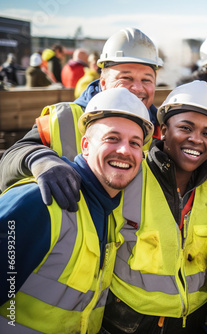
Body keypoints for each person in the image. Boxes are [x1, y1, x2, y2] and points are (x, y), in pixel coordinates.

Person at [0, 87, 153, 333]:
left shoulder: (111, 212)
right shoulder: (40, 202)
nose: (125, 150)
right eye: (112, 138)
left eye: (135, 143)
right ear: (85, 145)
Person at [101, 80, 207, 333]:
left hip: (191, 323)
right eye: (185, 128)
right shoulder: (129, 178)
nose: (196, 140)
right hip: (126, 323)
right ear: (162, 130)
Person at [0, 27, 163, 212]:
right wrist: (41, 160)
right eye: (126, 77)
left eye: (147, 80)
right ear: (103, 83)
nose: (137, 88)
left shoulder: (160, 130)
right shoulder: (64, 119)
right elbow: (7, 165)